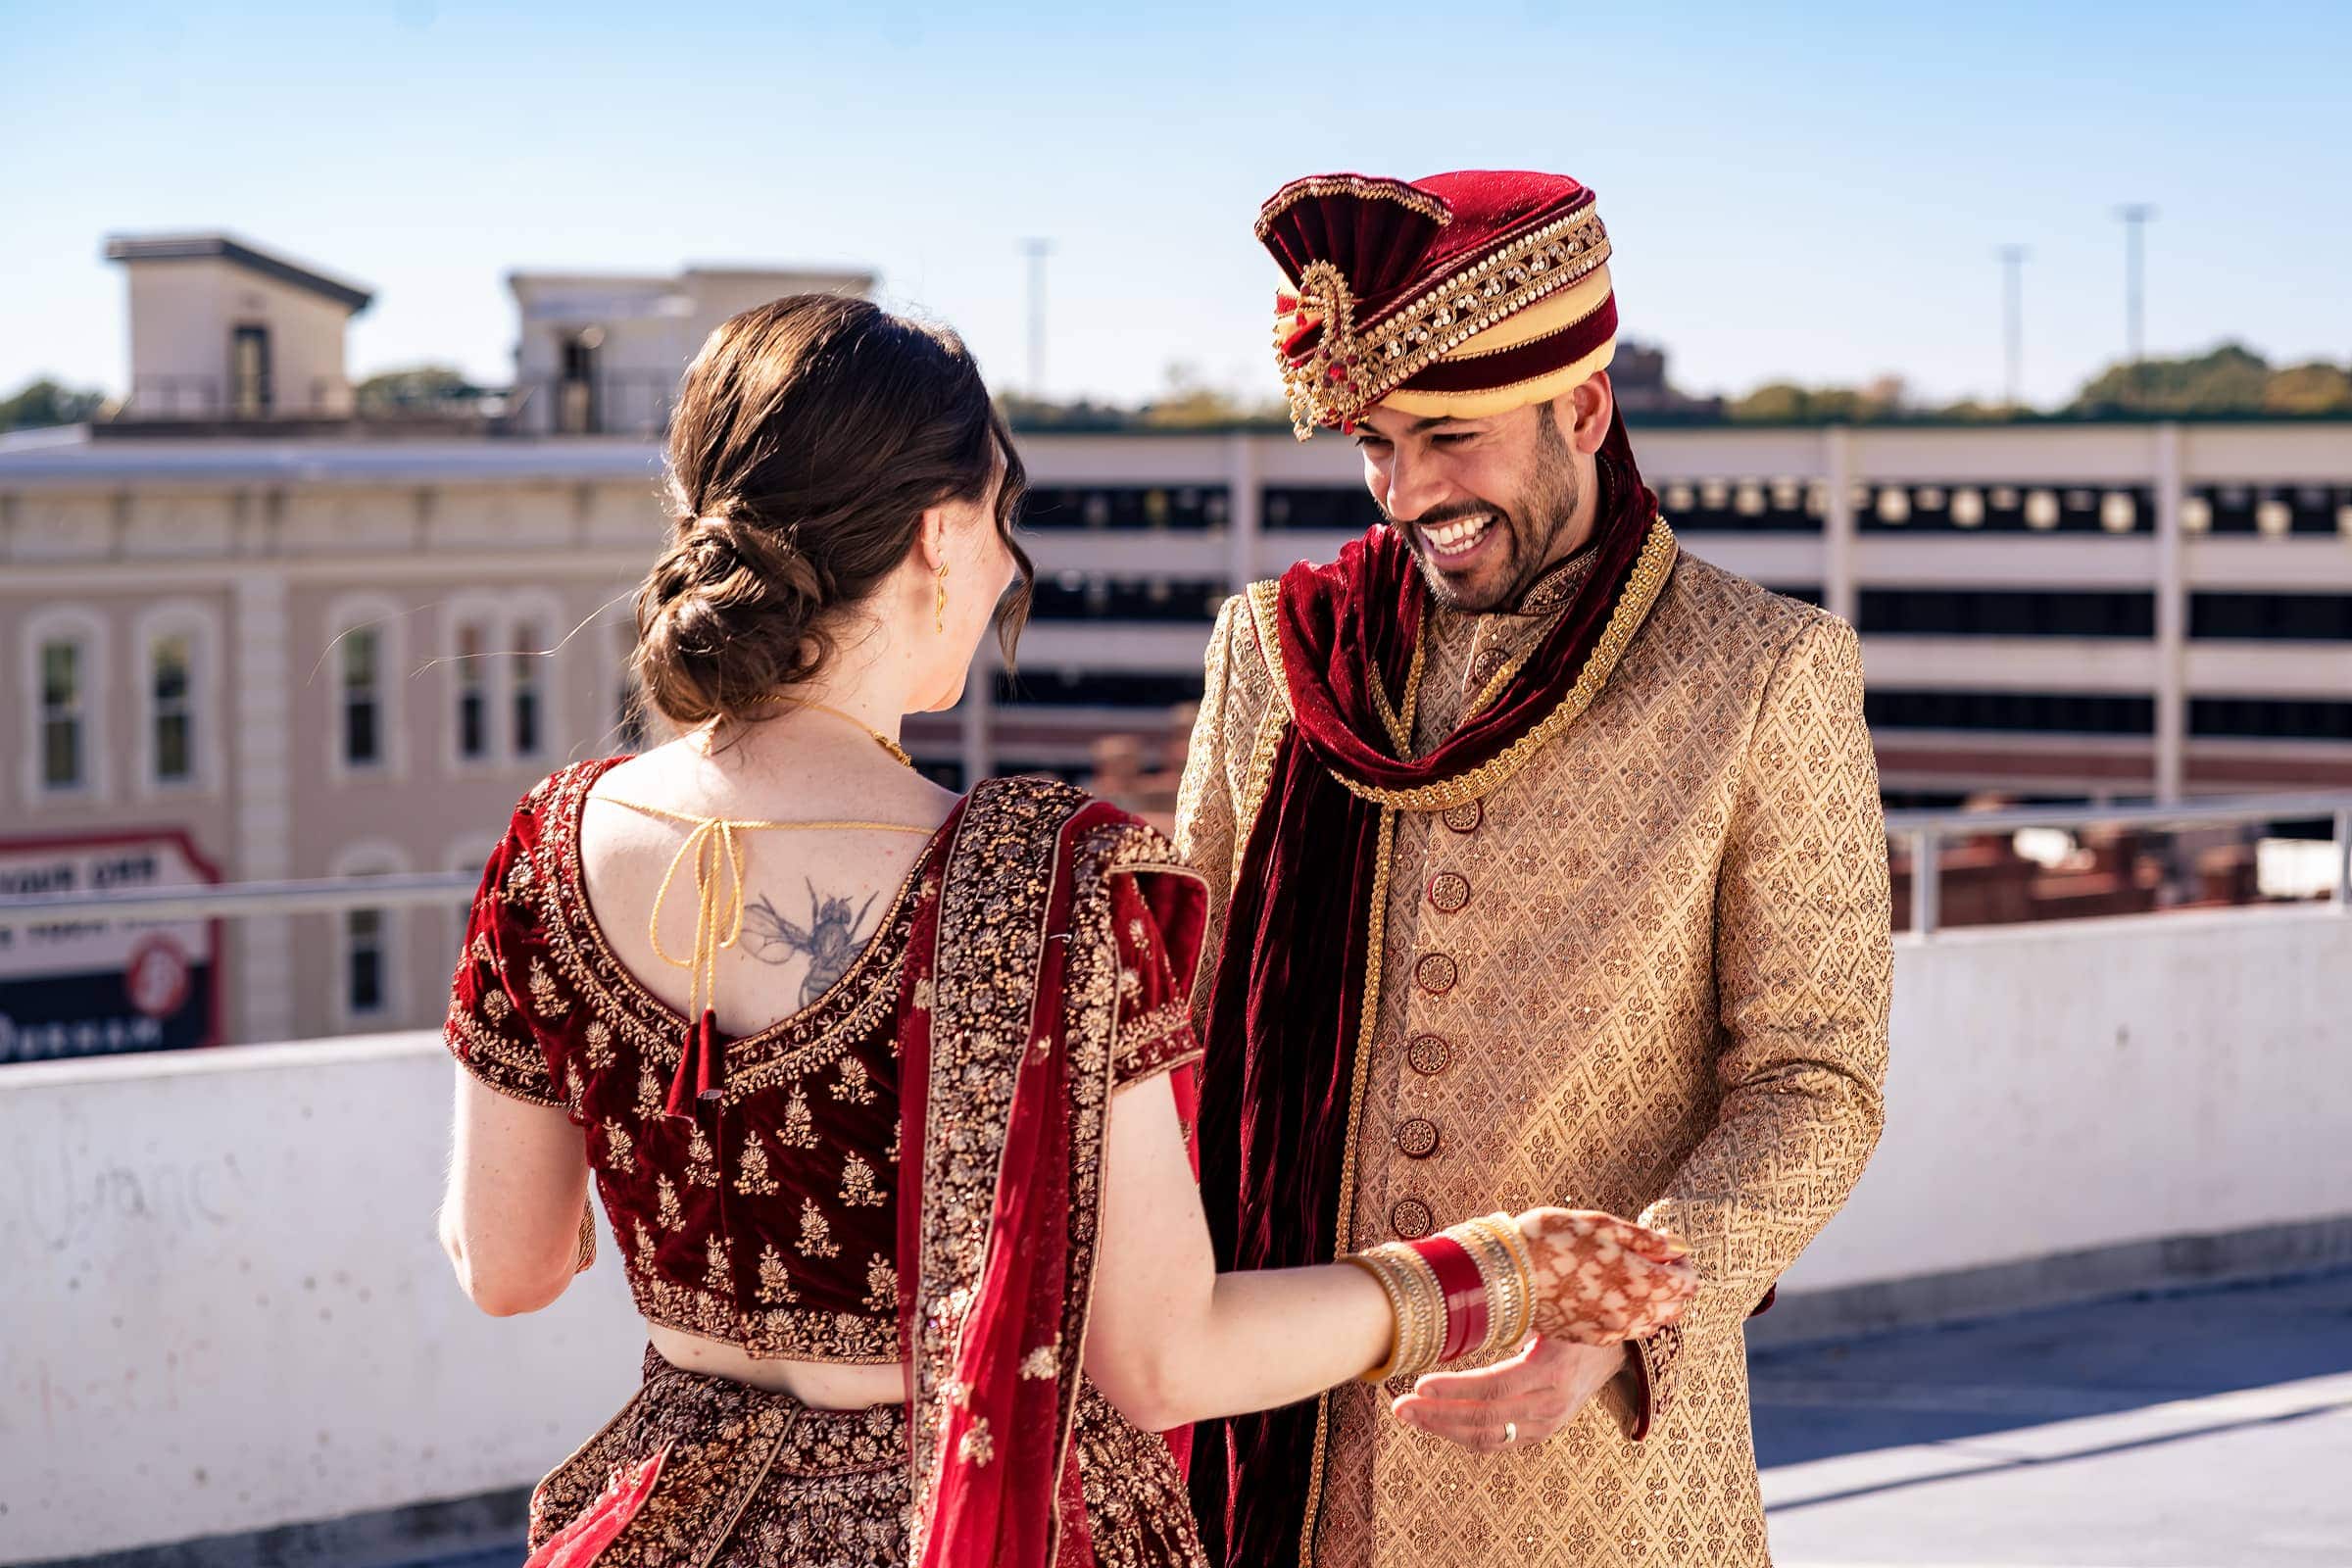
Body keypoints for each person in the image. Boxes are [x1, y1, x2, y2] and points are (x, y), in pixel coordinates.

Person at [434, 293, 1695, 1568]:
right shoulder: (1046, 880)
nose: (1002, 571)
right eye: (1000, 520)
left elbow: (509, 1266)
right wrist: (1505, 1271)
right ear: (939, 535)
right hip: (980, 1525)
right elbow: (1161, 1361)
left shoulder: (548, 848)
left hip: (672, 1525)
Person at [1176, 171, 1894, 1568]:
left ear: (1584, 406)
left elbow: (1817, 1089)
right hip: (1277, 1456)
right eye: (1375, 444)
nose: (1409, 493)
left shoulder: (1765, 675)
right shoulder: (1275, 657)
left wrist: (1612, 1317)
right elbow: (1176, 1028)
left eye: (1449, 435)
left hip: (1595, 1486)